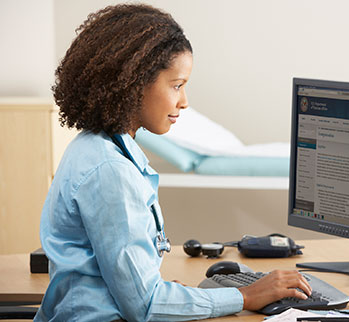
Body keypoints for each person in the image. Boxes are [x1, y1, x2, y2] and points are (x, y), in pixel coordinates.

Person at [35, 3, 311, 322]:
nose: (184, 101)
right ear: (133, 82)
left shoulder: (93, 146)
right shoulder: (110, 171)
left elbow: (132, 287)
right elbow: (145, 306)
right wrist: (245, 295)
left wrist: (177, 295)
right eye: (177, 85)